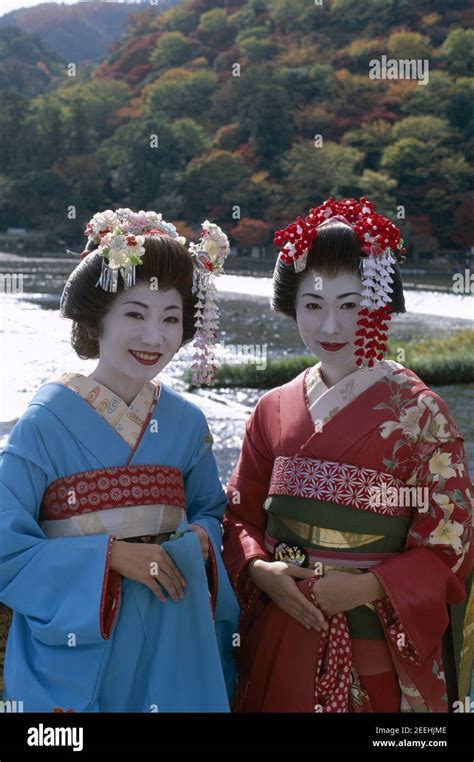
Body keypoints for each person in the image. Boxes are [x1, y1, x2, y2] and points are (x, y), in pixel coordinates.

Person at [222, 196, 473, 712]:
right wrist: (258, 569)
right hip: (282, 621)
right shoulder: (272, 408)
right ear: (292, 307)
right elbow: (239, 516)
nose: (331, 327)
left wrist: (367, 588)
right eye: (313, 305)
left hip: (374, 635)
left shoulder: (421, 412)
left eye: (351, 305)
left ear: (379, 305)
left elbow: (450, 544)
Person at [0, 208, 239, 711]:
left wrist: (200, 538)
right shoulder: (45, 421)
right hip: (82, 641)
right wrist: (110, 559)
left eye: (171, 318)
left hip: (174, 626)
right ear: (97, 318)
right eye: (135, 314)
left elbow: (211, 511)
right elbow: (7, 543)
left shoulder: (186, 423)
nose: (155, 337)